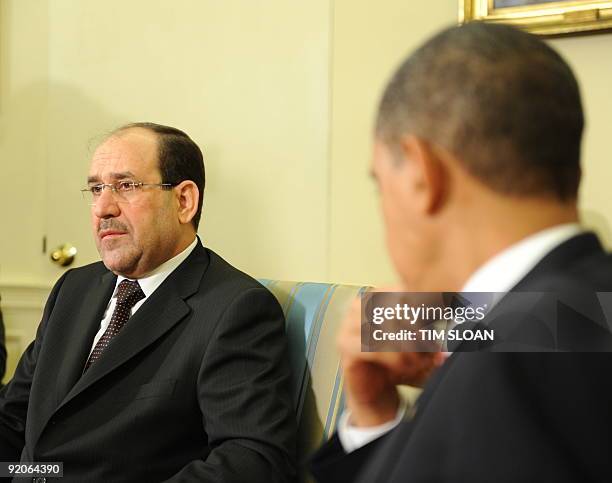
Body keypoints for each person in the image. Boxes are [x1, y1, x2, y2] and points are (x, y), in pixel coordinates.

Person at [310, 22, 612, 482]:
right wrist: (373, 413)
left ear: (420, 175)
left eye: (380, 185)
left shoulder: (506, 365)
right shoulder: (578, 311)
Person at [0, 123, 296, 482]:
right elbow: (14, 419)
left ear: (184, 201)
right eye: (96, 189)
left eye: (126, 186)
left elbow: (251, 457)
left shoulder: (236, 309)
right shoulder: (73, 289)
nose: (104, 208)